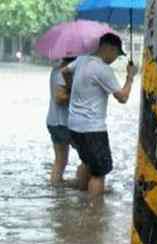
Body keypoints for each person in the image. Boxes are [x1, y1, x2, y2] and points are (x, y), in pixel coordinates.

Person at [62, 33, 138, 195]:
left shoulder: (82, 60)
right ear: (109, 48)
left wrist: (72, 89)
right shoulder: (103, 70)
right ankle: (94, 213)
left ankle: (81, 204)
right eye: (117, 55)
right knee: (99, 173)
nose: (115, 59)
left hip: (74, 125)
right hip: (93, 129)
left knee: (87, 163)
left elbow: (65, 72)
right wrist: (130, 77)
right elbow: (123, 97)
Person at [47, 57, 76, 185]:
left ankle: (56, 192)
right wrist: (78, 94)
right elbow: (59, 98)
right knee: (88, 158)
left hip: (53, 121)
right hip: (63, 123)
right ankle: (85, 188)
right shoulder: (64, 72)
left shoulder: (55, 69)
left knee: (60, 160)